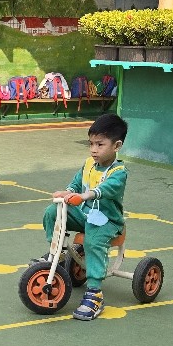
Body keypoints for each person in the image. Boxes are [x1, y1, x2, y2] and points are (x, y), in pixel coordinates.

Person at [42, 112, 130, 322]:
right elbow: (76, 183)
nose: (93, 149)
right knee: (53, 211)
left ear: (116, 146)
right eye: (91, 144)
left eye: (100, 144)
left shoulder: (119, 171)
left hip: (107, 221)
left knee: (93, 239)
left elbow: (105, 189)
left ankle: (95, 293)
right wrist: (68, 192)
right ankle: (57, 253)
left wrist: (84, 196)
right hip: (86, 215)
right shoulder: (89, 164)